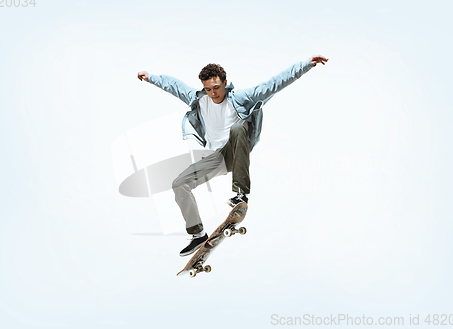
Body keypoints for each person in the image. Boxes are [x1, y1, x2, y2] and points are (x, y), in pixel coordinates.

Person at [137, 55, 329, 256]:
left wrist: (306, 64)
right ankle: (198, 234)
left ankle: (240, 193)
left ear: (225, 83)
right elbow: (174, 85)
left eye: (217, 88)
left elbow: (275, 83)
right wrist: (151, 77)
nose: (213, 93)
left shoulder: (241, 98)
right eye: (209, 89)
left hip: (236, 151)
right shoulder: (199, 99)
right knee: (179, 184)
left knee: (238, 128)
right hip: (214, 158)